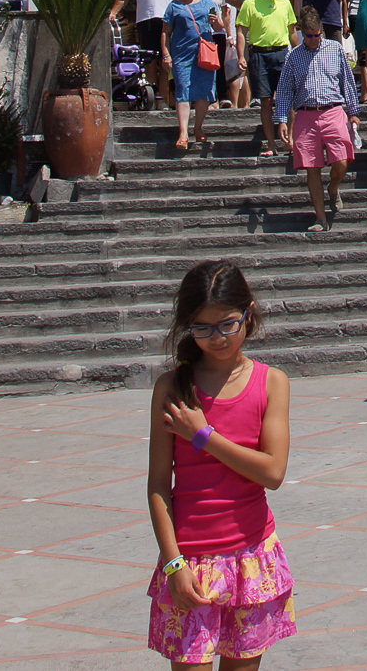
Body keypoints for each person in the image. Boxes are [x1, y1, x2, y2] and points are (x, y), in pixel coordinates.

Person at [147, 260, 295, 671]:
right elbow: (158, 484)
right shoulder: (172, 389)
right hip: (189, 564)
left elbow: (273, 472)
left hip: (252, 560)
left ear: (249, 313)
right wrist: (173, 563)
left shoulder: (271, 382)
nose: (217, 338)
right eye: (203, 328)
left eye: (228, 324)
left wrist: (203, 435)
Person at [274, 8, 360, 231]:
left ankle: (333, 187)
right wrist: (281, 119)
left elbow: (347, 81)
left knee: (342, 160)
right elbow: (284, 89)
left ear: (322, 31)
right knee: (312, 168)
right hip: (305, 113)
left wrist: (353, 111)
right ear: (302, 34)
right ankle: (320, 218)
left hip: (332, 110)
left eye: (317, 34)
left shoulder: (335, 48)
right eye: (309, 35)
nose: (314, 39)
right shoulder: (293, 56)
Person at [236, 0, 298, 160]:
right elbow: (241, 32)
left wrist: (300, 52)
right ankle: (271, 144)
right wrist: (241, 56)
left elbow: (292, 31)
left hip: (281, 52)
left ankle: (290, 140)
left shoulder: (285, 3)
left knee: (288, 97)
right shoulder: (249, 4)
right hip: (259, 53)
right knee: (265, 99)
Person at [163, 0, 224, 155]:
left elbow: (219, 28)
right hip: (182, 53)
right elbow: (165, 32)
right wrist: (166, 54)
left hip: (205, 52)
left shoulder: (207, 3)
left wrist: (217, 21)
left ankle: (198, 127)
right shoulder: (174, 6)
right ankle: (183, 132)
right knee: (183, 88)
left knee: (204, 90)